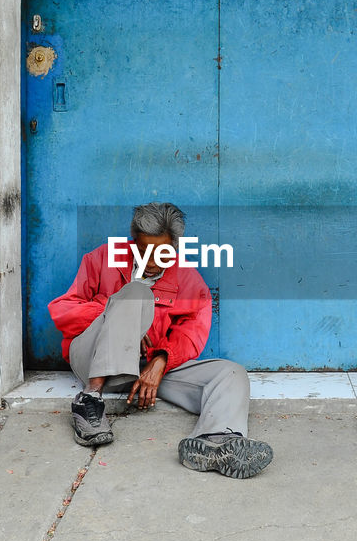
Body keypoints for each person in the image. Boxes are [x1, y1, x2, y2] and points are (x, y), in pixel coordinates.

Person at [47, 202, 273, 479]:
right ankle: (89, 400)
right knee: (135, 294)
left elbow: (192, 332)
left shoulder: (189, 279)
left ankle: (216, 441)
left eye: (161, 254)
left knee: (231, 373)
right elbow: (63, 309)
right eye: (143, 252)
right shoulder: (101, 259)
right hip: (94, 363)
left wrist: (161, 359)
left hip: (143, 371)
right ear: (133, 243)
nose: (150, 263)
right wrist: (117, 316)